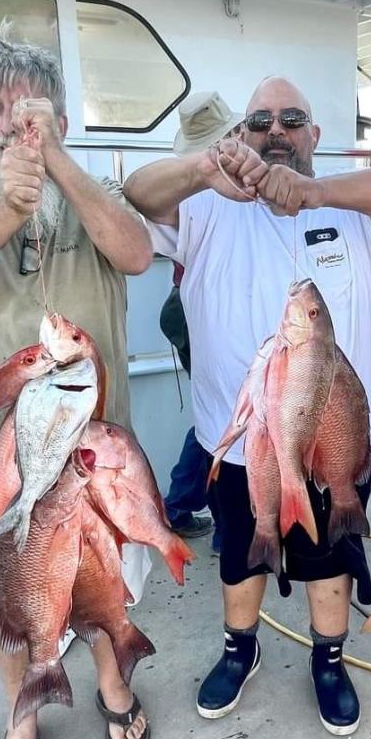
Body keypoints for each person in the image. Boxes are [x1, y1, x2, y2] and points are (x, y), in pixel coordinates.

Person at [123, 76, 371, 736]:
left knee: (330, 557)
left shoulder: (355, 211)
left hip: (336, 437)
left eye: (293, 118)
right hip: (240, 441)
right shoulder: (207, 206)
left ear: (315, 135)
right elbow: (138, 192)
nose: (276, 131)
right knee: (241, 551)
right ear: (241, 136)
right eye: (259, 121)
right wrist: (206, 168)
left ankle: (329, 659)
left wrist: (315, 191)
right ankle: (241, 648)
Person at [0, 26, 154, 739]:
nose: (8, 125)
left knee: (103, 581)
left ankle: (112, 685)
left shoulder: (96, 192)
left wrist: (58, 169)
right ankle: (24, 713)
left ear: (62, 124)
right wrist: (9, 209)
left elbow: (136, 253)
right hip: (1, 467)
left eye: (30, 110)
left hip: (94, 461)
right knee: (15, 601)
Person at [162, 91, 245, 544]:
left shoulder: (190, 183)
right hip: (196, 311)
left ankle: (182, 506)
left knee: (220, 408)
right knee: (225, 410)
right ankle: (211, 519)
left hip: (184, 308)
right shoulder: (213, 186)